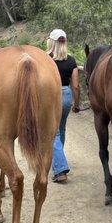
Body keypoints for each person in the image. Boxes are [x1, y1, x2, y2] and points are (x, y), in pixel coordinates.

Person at [47, 29, 80, 183]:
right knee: (61, 129)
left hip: (50, 95)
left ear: (51, 42)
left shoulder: (46, 59)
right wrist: (76, 104)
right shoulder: (72, 60)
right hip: (66, 94)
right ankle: (59, 158)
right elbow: (76, 85)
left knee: (53, 133)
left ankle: (60, 170)